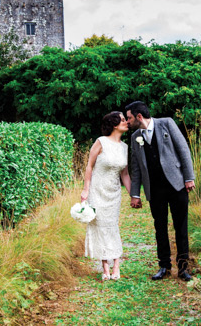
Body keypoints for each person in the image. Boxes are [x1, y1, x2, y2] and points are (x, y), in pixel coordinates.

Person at [125, 101, 195, 281]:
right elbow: (136, 167)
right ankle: (164, 266)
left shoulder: (167, 123)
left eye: (129, 118)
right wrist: (135, 194)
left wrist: (189, 178)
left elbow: (183, 150)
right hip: (155, 189)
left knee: (181, 226)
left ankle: (183, 268)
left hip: (177, 184)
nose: (127, 121)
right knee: (160, 228)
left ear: (139, 117)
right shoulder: (135, 137)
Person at [81, 111, 131, 281]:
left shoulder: (125, 147)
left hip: (114, 192)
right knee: (101, 225)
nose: (126, 122)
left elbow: (124, 174)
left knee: (112, 225)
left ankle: (116, 264)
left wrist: (134, 195)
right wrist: (86, 190)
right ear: (115, 124)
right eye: (123, 120)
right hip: (97, 190)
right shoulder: (101, 142)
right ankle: (105, 267)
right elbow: (89, 166)